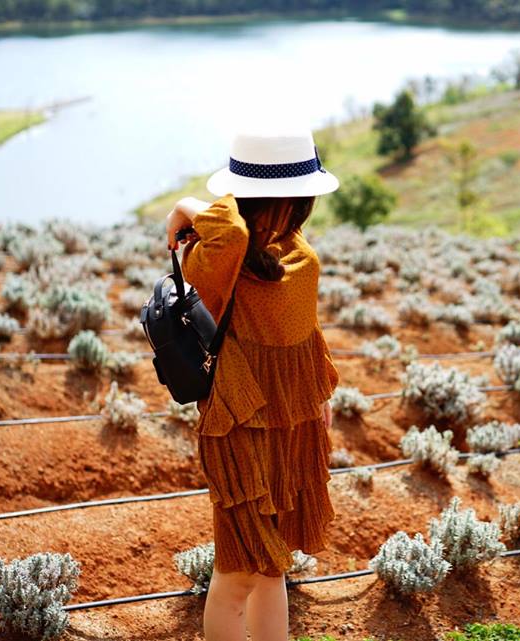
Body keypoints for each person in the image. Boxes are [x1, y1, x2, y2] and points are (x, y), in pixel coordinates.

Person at [165, 128, 342, 641]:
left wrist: (316, 395)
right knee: (239, 568)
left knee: (272, 565)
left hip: (292, 417)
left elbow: (303, 329)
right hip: (240, 418)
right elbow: (233, 234)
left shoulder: (293, 249)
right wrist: (187, 205)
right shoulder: (223, 249)